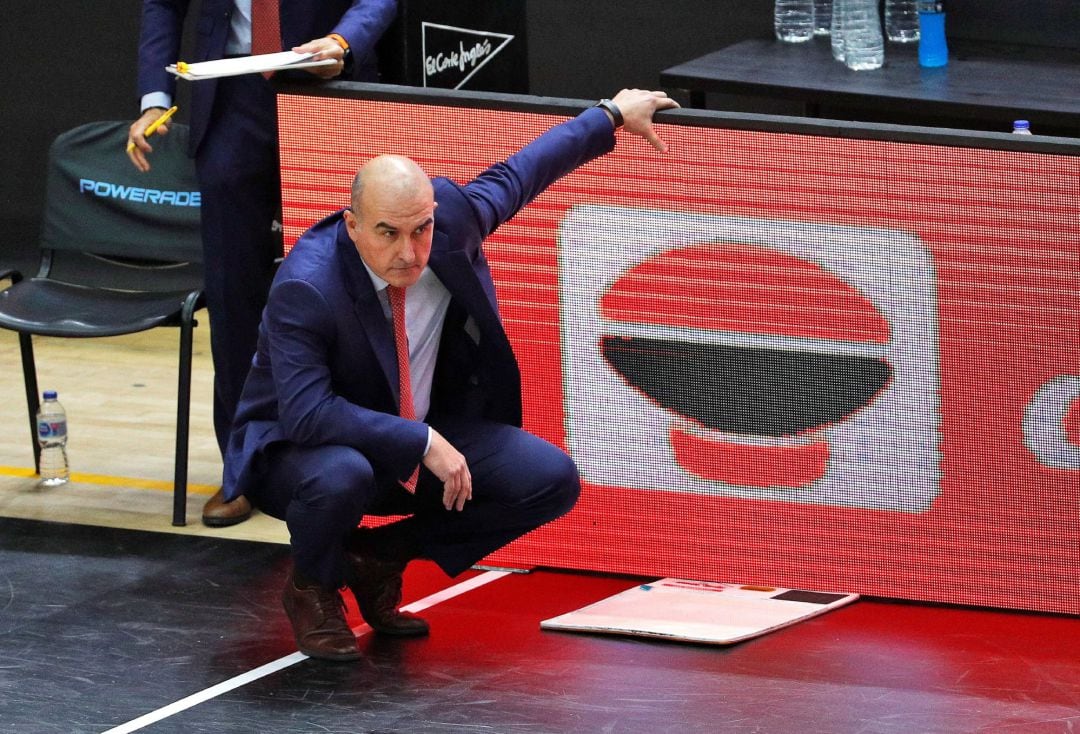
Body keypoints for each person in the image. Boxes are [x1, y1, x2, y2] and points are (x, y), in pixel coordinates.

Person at [222, 88, 679, 660]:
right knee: (342, 473)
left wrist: (610, 115)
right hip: (300, 450)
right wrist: (422, 440)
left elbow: (522, 174)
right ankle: (313, 586)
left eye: (421, 230)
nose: (410, 253)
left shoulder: (449, 221)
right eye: (389, 232)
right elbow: (309, 413)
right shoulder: (307, 287)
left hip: (411, 432)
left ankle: (377, 557)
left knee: (549, 479)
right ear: (353, 225)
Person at [127, 0, 398, 527]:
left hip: (325, 85)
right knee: (233, 298)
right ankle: (243, 469)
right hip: (230, 94)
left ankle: (365, 464)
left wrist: (343, 42)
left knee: (350, 282)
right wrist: (152, 98)